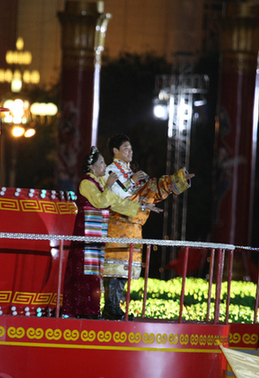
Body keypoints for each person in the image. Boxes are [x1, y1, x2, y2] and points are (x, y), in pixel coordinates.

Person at [102, 134, 194, 320]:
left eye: (131, 148)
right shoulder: (110, 170)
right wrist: (134, 181)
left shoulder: (132, 171)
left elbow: (152, 190)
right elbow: (115, 197)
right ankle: (110, 308)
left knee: (124, 272)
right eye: (126, 148)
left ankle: (115, 307)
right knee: (115, 270)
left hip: (134, 229)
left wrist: (175, 181)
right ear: (115, 151)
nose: (130, 151)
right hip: (117, 227)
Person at [61, 146, 160, 319]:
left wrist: (143, 206)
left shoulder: (100, 184)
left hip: (97, 234)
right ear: (91, 167)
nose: (104, 166)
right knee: (84, 273)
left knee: (94, 274)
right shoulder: (86, 183)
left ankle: (91, 310)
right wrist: (108, 186)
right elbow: (100, 202)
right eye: (101, 162)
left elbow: (117, 203)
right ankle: (80, 311)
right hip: (86, 235)